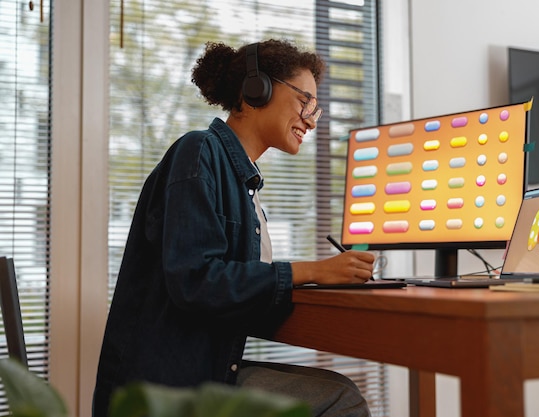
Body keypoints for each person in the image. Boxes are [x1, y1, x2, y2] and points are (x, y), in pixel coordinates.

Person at [92, 39, 375, 417]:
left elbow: (228, 286)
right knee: (341, 397)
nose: (310, 119)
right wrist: (310, 271)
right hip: (167, 387)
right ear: (258, 90)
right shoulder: (198, 151)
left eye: (315, 109)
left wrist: (312, 280)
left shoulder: (245, 186)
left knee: (335, 389)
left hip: (202, 370)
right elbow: (196, 281)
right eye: (304, 101)